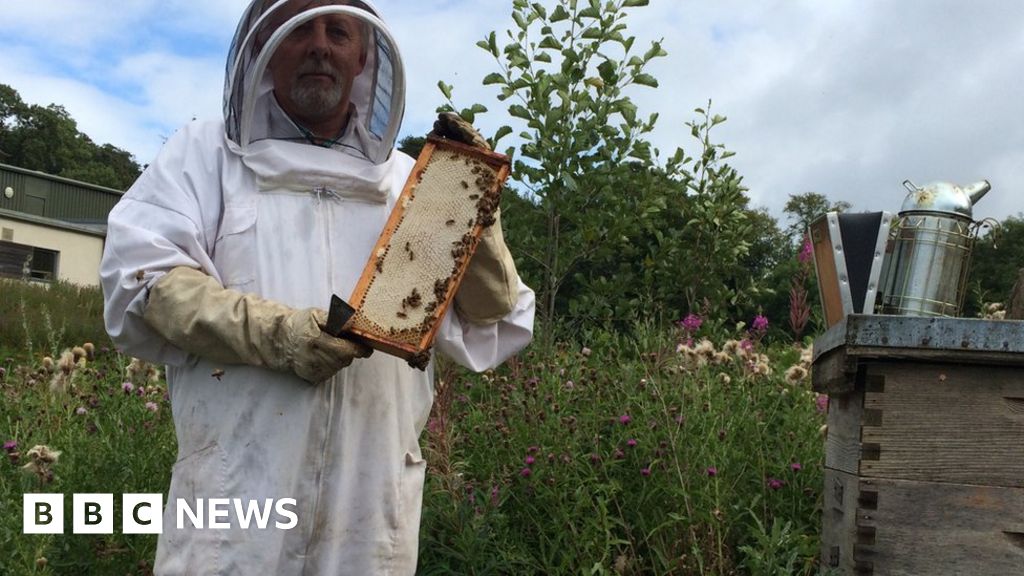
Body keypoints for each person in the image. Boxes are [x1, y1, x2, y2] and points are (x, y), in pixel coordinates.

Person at [99, 0, 535, 573]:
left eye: (338, 32)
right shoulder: (203, 157)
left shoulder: (409, 182)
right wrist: (278, 334)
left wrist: (474, 215)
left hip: (369, 504)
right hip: (239, 497)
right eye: (299, 28)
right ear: (263, 48)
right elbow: (142, 283)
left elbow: (489, 324)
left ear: (362, 58)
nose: (319, 45)